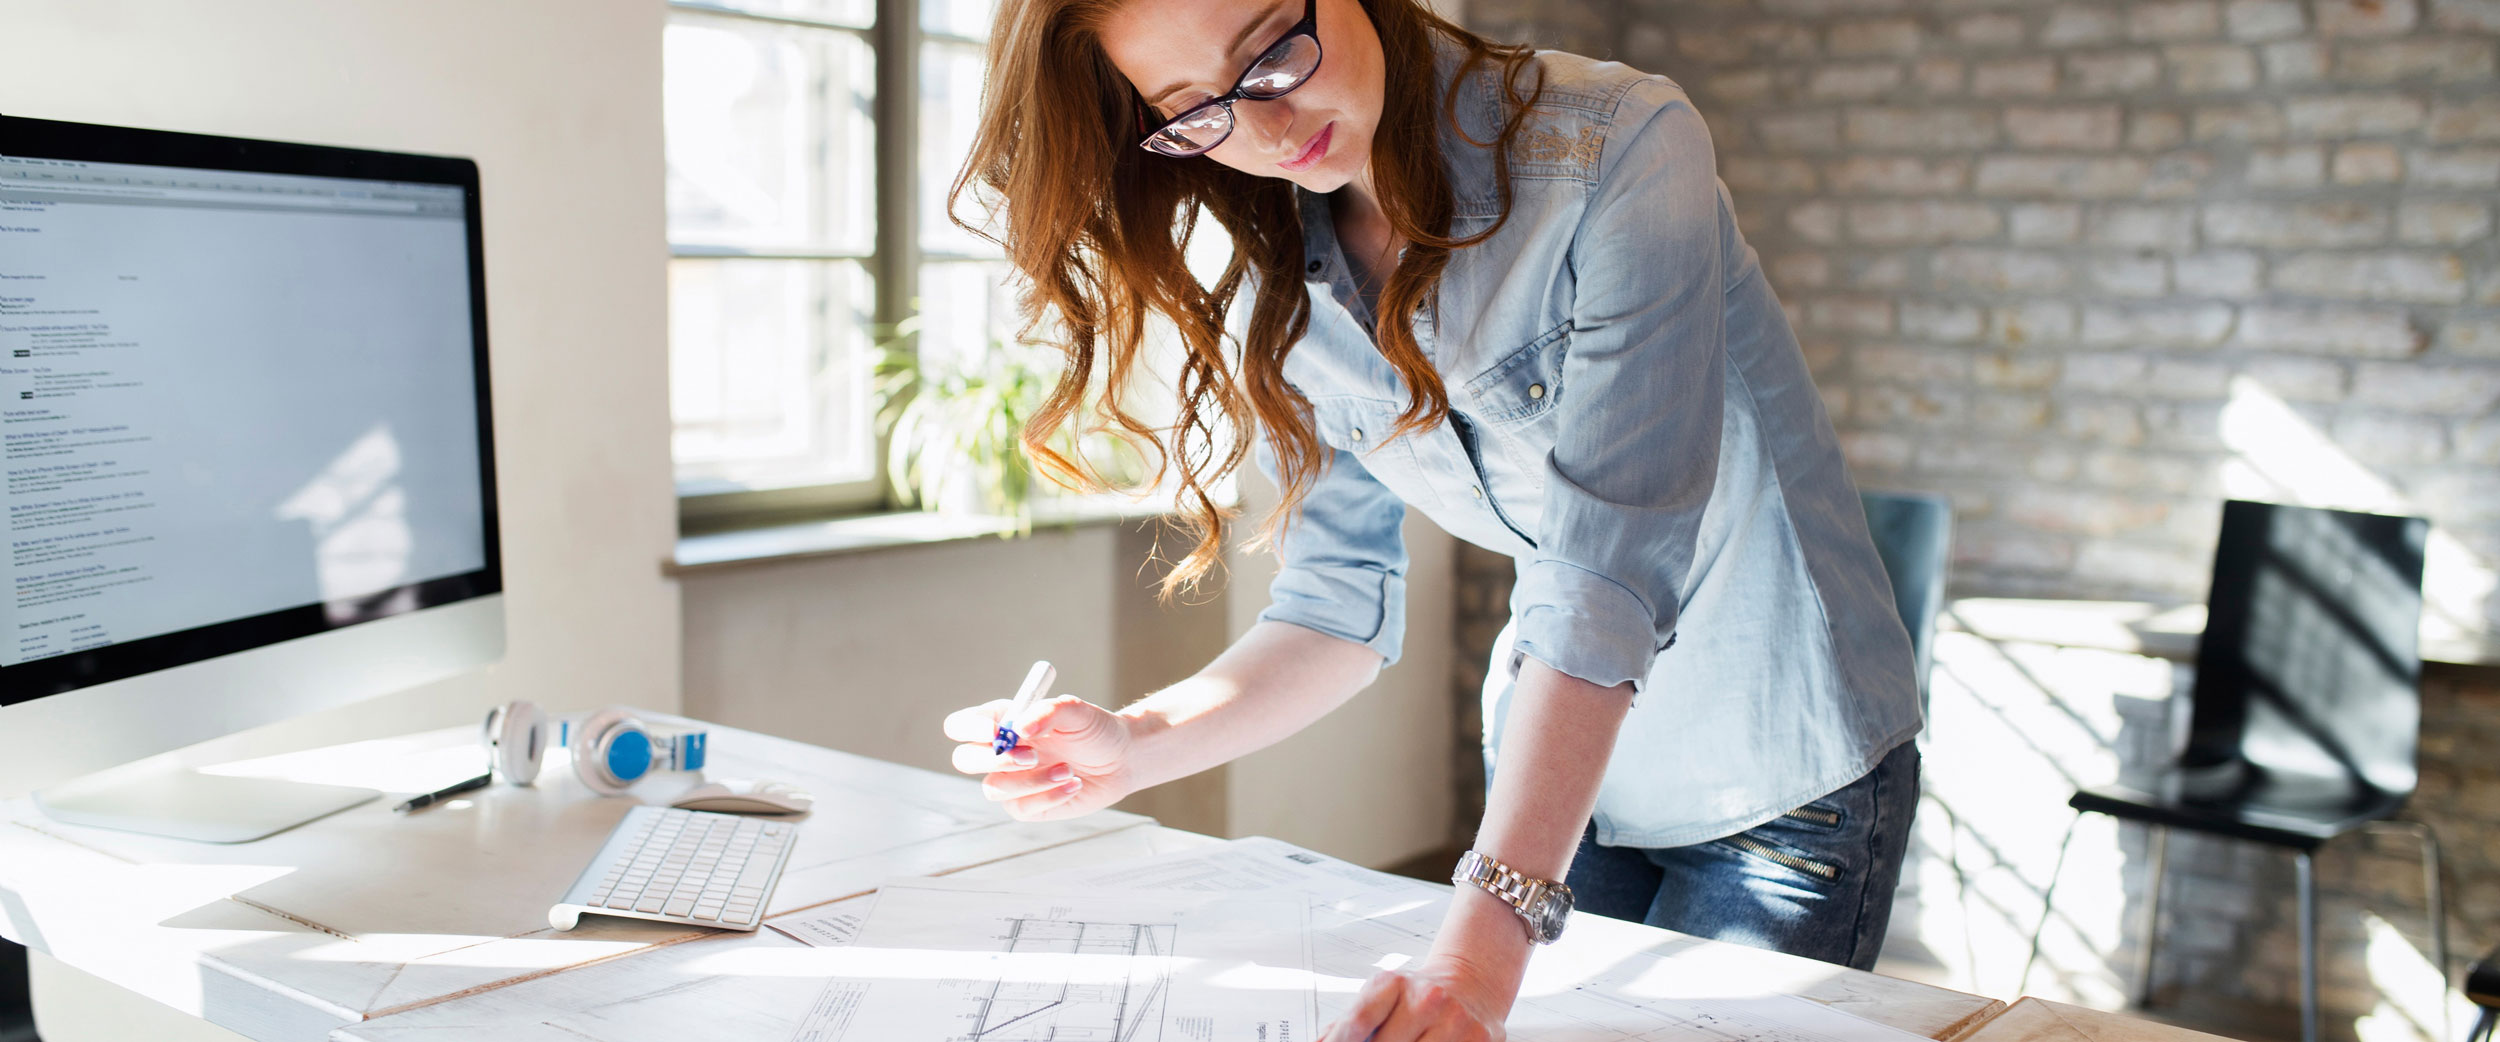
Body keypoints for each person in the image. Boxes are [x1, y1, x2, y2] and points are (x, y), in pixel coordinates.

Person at [937, 0, 1926, 1038]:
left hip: (1779, 771)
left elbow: (1606, 574)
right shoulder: (1283, 277)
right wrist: (1132, 745)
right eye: (1196, 112)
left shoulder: (1620, 145)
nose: (1266, 133)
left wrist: (1476, 951)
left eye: (1272, 52)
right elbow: (1334, 611)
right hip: (1566, 782)